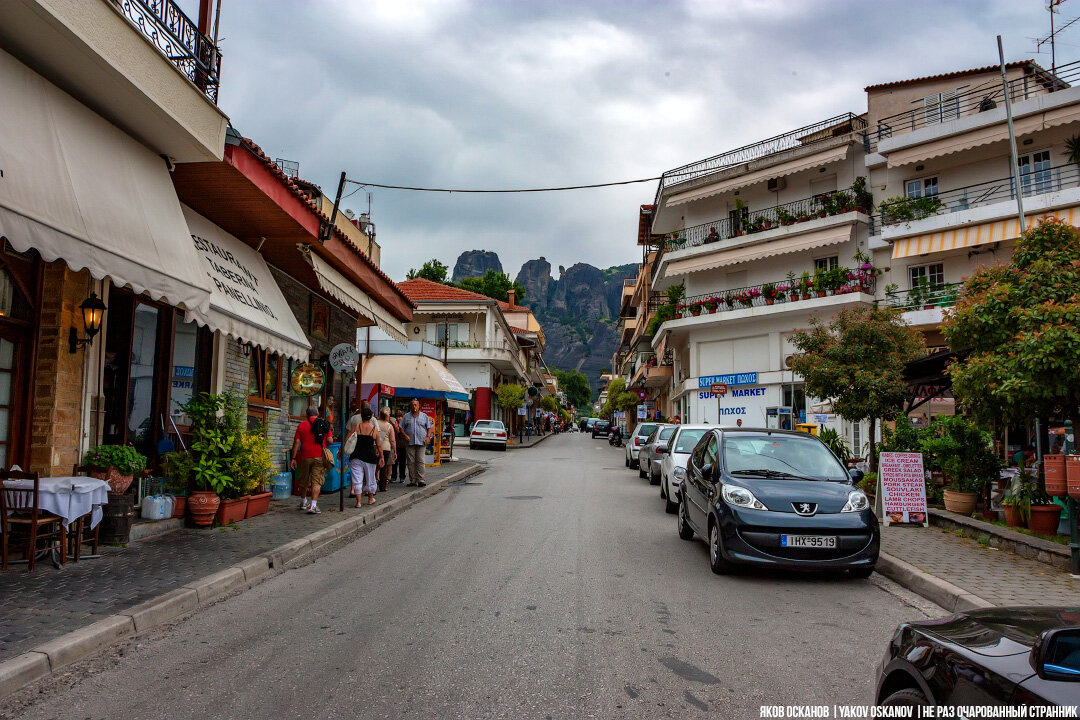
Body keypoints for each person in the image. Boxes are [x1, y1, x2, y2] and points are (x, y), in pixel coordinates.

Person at [291, 406, 332, 514]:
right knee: (316, 481)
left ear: (306, 415)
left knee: (303, 480)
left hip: (304, 456)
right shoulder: (323, 424)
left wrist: (293, 458)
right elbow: (330, 440)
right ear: (317, 414)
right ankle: (313, 505)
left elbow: (296, 442)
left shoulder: (301, 425)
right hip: (319, 456)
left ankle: (304, 501)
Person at [347, 406, 382, 506]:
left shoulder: (356, 427)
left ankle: (358, 502)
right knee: (371, 478)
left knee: (357, 479)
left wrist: (342, 450)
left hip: (356, 455)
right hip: (369, 457)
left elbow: (348, 437)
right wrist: (382, 457)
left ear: (361, 416)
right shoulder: (374, 430)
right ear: (371, 417)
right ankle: (370, 499)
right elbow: (379, 445)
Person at [400, 399, 434, 487]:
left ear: (419, 406)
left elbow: (429, 428)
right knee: (411, 462)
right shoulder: (406, 416)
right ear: (410, 406)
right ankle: (413, 480)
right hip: (410, 442)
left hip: (421, 442)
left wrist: (428, 436)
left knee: (420, 461)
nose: (414, 407)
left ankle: (421, 480)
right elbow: (401, 428)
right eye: (412, 405)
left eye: (415, 405)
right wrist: (405, 435)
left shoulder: (424, 416)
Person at [376, 406, 396, 492]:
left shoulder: (375, 423)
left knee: (375, 466)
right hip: (386, 447)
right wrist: (395, 451)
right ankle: (383, 487)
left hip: (376, 447)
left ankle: (372, 485)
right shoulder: (389, 426)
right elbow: (392, 440)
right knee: (383, 467)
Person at [391, 410, 408, 482]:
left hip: (403, 445)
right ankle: (394, 476)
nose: (399, 418)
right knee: (395, 462)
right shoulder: (393, 424)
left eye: (400, 417)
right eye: (398, 417)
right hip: (396, 445)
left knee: (402, 462)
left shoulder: (404, 425)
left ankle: (402, 476)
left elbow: (401, 434)